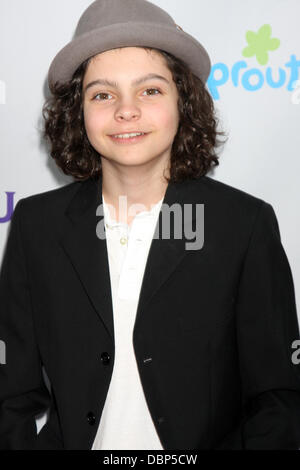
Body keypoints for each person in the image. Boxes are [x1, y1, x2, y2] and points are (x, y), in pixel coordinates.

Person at [0, 0, 300, 450]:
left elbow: (280, 400)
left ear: (184, 102)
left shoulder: (244, 225)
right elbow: (10, 394)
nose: (126, 110)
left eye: (150, 90)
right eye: (102, 94)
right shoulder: (36, 226)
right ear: (77, 113)